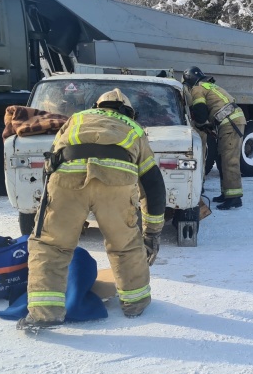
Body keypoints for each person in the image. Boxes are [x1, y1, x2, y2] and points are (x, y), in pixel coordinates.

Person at [17, 89, 166, 330]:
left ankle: (44, 314)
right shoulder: (135, 129)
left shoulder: (77, 118)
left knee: (51, 246)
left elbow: (51, 162)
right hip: (117, 181)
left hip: (67, 176)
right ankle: (135, 304)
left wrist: (59, 207)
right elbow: (153, 184)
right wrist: (152, 232)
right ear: (128, 111)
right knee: (126, 246)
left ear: (98, 105)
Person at [183, 66, 246, 210]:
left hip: (230, 123)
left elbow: (200, 113)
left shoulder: (197, 89)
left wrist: (199, 123)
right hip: (230, 122)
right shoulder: (208, 85)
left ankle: (234, 198)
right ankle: (227, 193)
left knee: (230, 160)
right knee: (222, 158)